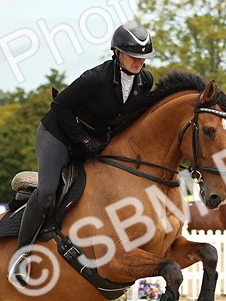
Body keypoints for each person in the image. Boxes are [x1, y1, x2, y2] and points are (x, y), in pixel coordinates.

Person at [10, 23, 158, 285]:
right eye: (133, 55)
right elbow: (60, 106)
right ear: (117, 52)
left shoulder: (144, 81)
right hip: (58, 135)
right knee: (46, 193)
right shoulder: (96, 77)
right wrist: (83, 140)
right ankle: (20, 257)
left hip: (94, 140)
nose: (139, 62)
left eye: (143, 57)